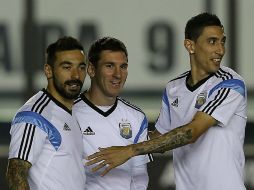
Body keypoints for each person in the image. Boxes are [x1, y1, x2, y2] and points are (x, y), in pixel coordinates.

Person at [86, 13, 247, 190]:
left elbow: (191, 132)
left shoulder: (230, 83)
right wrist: (106, 136)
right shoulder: (173, 88)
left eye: (222, 41)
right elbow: (160, 139)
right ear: (190, 45)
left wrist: (129, 151)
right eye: (212, 42)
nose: (220, 50)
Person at [6, 36, 87, 190]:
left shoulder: (73, 112)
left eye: (81, 67)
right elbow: (16, 174)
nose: (76, 75)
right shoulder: (35, 115)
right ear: (48, 71)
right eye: (67, 67)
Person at [72, 37, 152, 190]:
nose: (118, 74)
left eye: (123, 67)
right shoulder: (69, 114)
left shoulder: (136, 117)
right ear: (91, 69)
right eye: (109, 66)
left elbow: (139, 175)